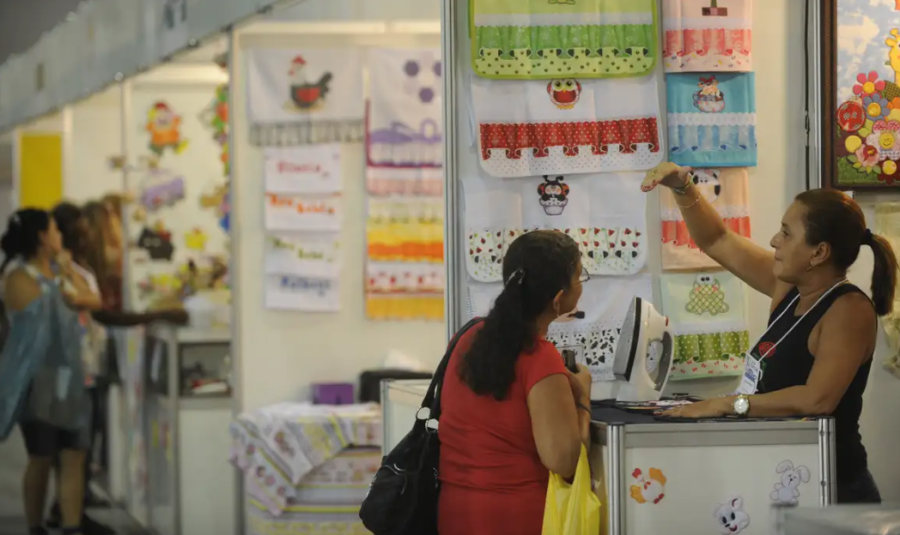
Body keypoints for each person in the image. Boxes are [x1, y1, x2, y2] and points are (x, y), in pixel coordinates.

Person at [643, 162, 895, 504]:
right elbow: (717, 239)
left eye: (787, 233)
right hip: (785, 474)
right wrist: (683, 186)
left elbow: (817, 399)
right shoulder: (790, 288)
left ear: (819, 252)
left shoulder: (849, 310)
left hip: (834, 488)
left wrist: (725, 404)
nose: (775, 240)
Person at [437, 230, 593, 535]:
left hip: (454, 512)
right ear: (558, 300)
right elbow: (564, 461)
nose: (581, 284)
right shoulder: (540, 357)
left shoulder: (466, 337)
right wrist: (583, 399)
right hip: (515, 518)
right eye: (579, 277)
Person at [0, 209, 100, 535]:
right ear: (42, 237)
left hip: (72, 377)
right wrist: (64, 285)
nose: (60, 235)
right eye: (55, 230)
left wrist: (67, 270)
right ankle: (35, 526)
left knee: (74, 454)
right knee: (41, 456)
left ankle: (71, 526)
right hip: (37, 382)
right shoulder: (17, 276)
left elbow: (91, 299)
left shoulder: (60, 270)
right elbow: (53, 307)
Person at [48, 202, 114, 535]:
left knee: (81, 445)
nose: (87, 236)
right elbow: (88, 300)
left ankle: (69, 508)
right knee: (73, 447)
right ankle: (68, 514)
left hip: (86, 365)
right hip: (70, 370)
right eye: (80, 229)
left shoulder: (75, 268)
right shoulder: (57, 272)